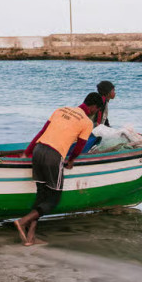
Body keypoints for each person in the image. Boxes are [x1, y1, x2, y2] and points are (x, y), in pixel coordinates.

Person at [14, 92, 103, 246]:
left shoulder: (60, 110)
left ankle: (30, 237)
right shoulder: (87, 122)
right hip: (53, 156)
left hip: (38, 151)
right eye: (96, 110)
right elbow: (80, 146)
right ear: (94, 107)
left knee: (41, 195)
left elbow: (41, 132)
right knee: (54, 199)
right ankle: (23, 221)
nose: (95, 113)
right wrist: (71, 161)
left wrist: (27, 152)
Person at [81, 80, 116, 153]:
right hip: (94, 130)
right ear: (108, 92)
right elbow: (98, 118)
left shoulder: (105, 101)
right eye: (113, 90)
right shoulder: (101, 102)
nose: (115, 93)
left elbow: (105, 119)